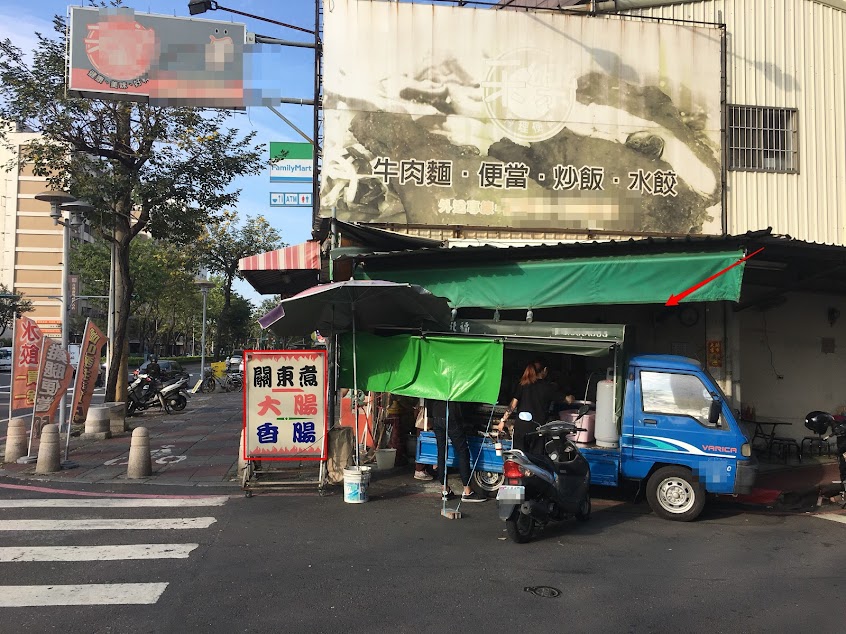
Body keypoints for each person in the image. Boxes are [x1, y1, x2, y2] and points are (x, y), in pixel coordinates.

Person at [427, 398, 486, 503]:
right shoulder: (453, 380)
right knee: (463, 452)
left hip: (437, 415)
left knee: (441, 452)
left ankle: (445, 490)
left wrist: (430, 416)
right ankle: (467, 491)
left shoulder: (436, 381)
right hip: (451, 415)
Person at [497, 360, 561, 454]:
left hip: (521, 429)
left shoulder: (523, 385)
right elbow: (566, 399)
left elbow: (512, 405)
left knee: (519, 457)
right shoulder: (548, 387)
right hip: (538, 430)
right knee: (536, 460)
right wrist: (571, 397)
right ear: (545, 370)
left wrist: (503, 421)